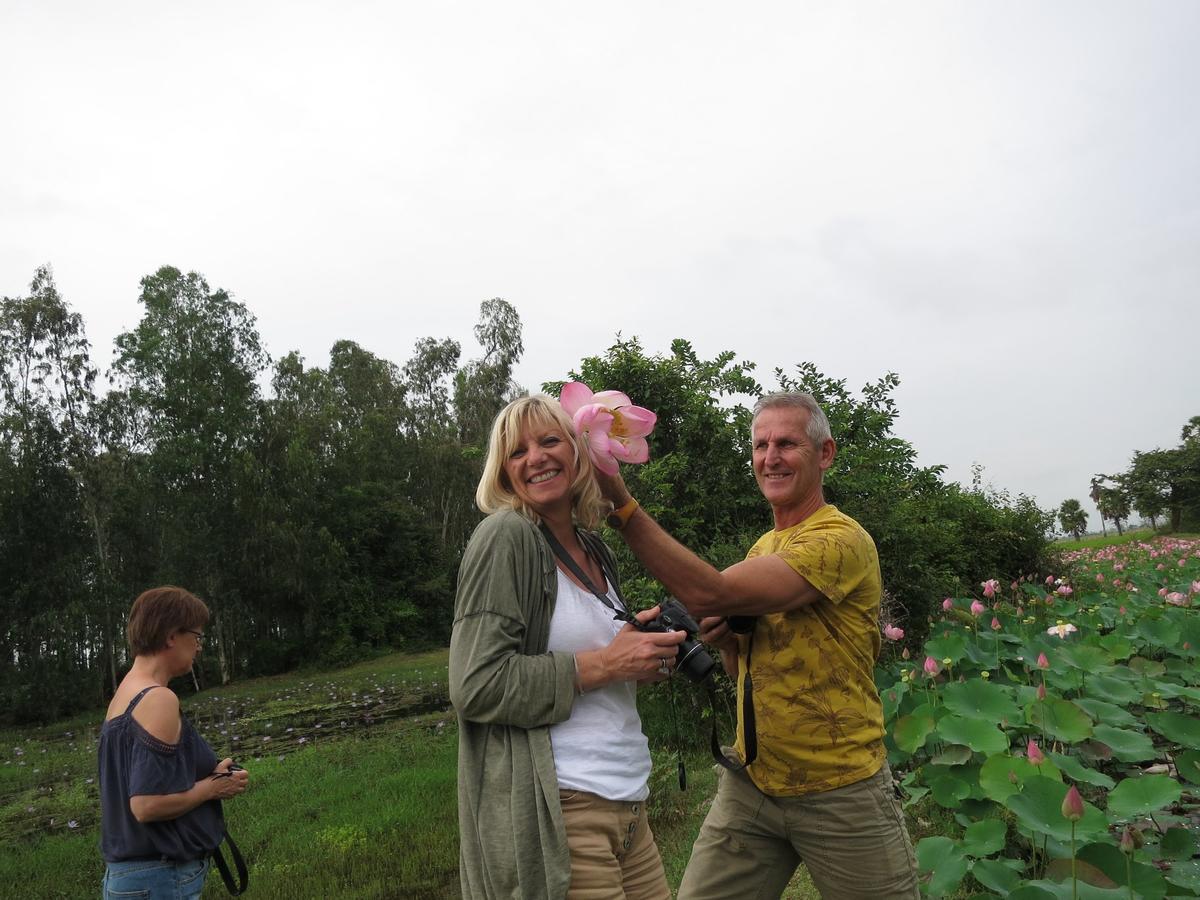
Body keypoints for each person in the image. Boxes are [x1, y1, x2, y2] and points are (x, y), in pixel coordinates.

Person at [597, 391, 919, 900]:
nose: (770, 457)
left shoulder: (841, 540)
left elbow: (710, 592)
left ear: (825, 453)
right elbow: (744, 667)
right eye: (760, 445)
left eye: (787, 443)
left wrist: (621, 501)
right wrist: (726, 643)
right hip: (753, 781)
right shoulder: (762, 548)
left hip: (840, 787)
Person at [449, 394, 687, 900]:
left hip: (628, 804)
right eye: (517, 451)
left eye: (550, 440)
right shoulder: (505, 537)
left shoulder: (592, 546)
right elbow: (475, 685)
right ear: (504, 471)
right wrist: (605, 663)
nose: (536, 457)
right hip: (564, 809)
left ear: (579, 450)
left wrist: (635, 657)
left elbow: (596, 666)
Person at [99, 586, 249, 900]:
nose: (199, 647)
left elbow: (147, 780)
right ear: (171, 636)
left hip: (130, 877)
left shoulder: (123, 696)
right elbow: (146, 805)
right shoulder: (158, 699)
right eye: (196, 637)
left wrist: (208, 775)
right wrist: (212, 789)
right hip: (159, 878)